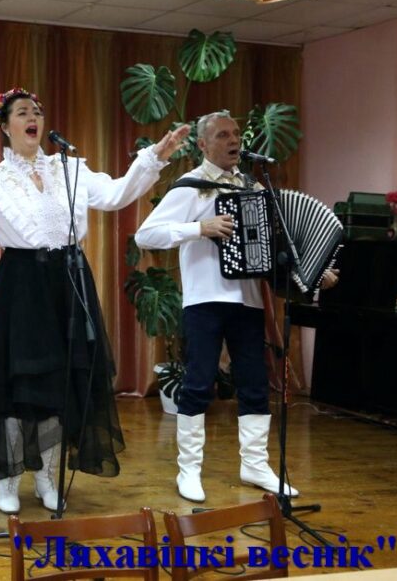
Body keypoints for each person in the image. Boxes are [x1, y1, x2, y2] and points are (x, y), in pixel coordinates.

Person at [0, 88, 189, 514]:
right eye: (23, 112)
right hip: (22, 286)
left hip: (69, 280)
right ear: (5, 125)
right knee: (18, 384)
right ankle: (8, 476)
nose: (33, 118)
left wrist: (154, 157)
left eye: (38, 112)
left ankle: (46, 474)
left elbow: (116, 194)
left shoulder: (71, 168)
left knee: (59, 385)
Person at [134, 110, 336, 503]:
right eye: (223, 135)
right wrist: (199, 228)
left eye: (236, 134)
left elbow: (279, 244)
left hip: (248, 301)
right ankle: (189, 470)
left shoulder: (253, 186)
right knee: (198, 383)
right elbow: (146, 234)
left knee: (254, 383)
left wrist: (313, 271)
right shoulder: (191, 187)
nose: (233, 141)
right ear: (203, 144)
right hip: (205, 300)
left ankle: (255, 465)